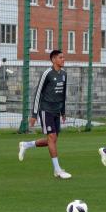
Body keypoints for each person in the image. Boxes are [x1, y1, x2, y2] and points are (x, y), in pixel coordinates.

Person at [18, 49, 72, 179]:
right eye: (60, 57)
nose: (63, 59)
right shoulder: (47, 73)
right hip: (46, 110)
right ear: (53, 60)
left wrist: (63, 112)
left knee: (52, 140)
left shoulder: (64, 74)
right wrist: (34, 114)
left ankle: (26, 144)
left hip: (56, 111)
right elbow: (38, 94)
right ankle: (57, 170)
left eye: (63, 57)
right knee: (52, 138)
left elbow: (63, 94)